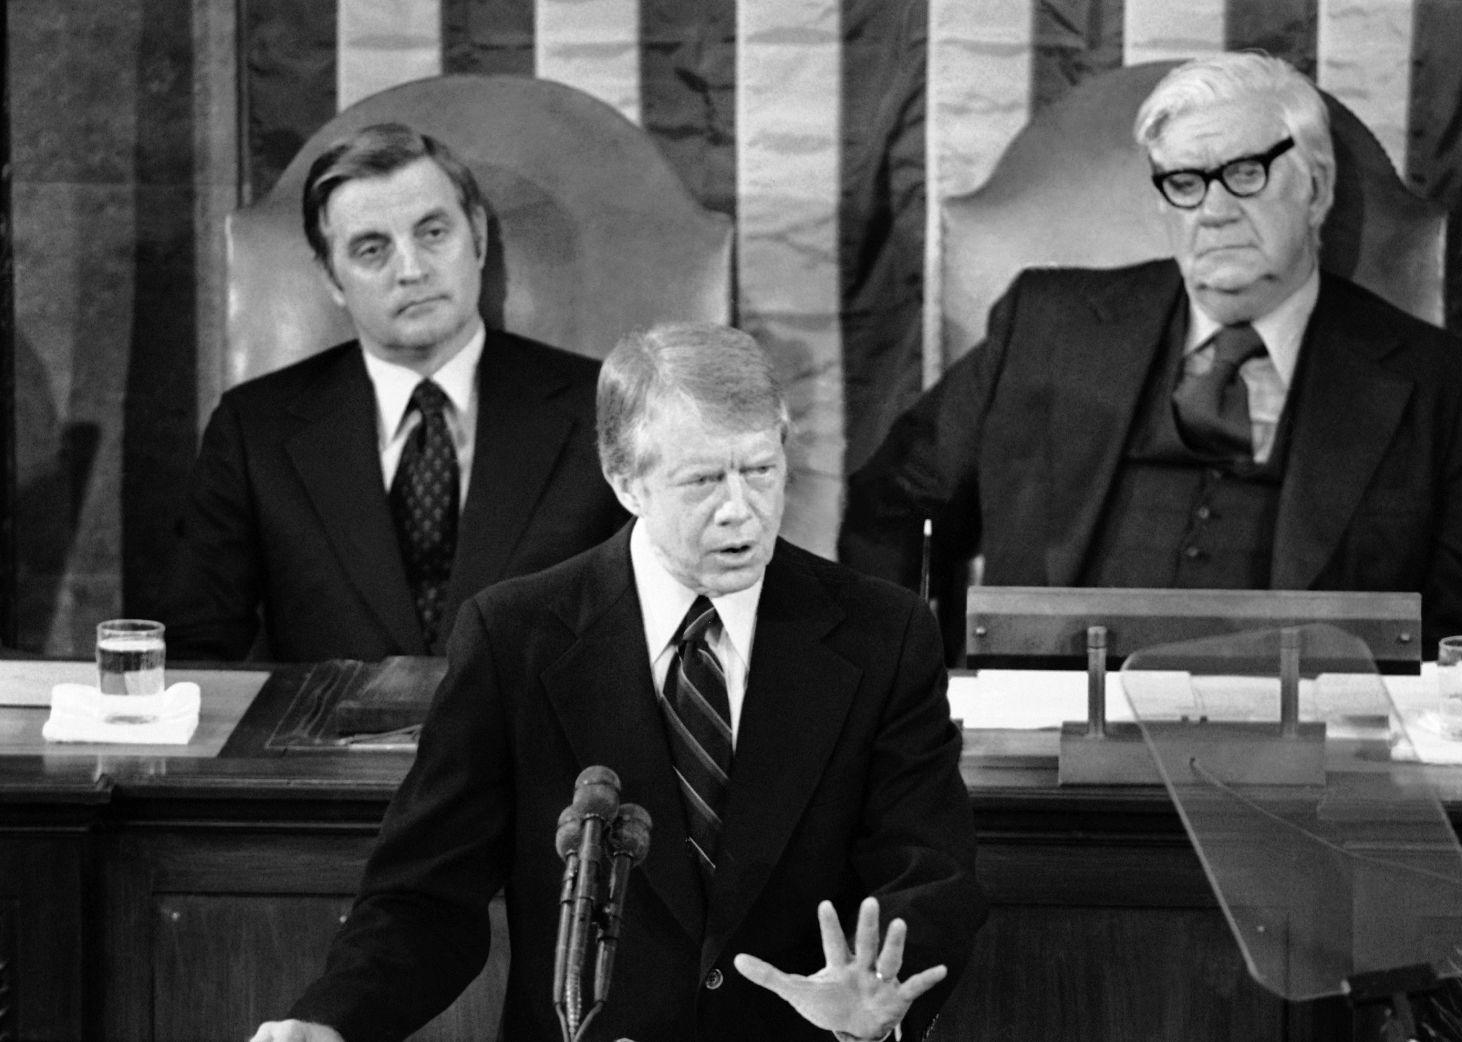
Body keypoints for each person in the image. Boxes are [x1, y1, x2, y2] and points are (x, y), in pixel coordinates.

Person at [249, 323, 985, 1042]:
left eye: (760, 470)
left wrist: (877, 1004)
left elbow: (930, 871)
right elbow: (425, 897)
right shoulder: (516, 638)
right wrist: (332, 1021)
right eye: (702, 479)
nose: (740, 509)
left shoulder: (883, 636)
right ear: (625, 481)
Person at [840, 51, 1462, 653]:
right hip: (1049, 737)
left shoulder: (1437, 384)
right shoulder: (1046, 326)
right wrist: (909, 687)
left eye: (1245, 174)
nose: (1213, 212)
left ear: (1317, 190)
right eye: (1184, 183)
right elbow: (893, 507)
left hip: (1300, 753)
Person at [161, 123, 626, 662]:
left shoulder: (605, 409)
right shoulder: (253, 430)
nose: (411, 270)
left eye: (432, 233)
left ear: (476, 236)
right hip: (324, 741)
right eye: (371, 249)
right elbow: (197, 652)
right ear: (332, 278)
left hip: (536, 744)